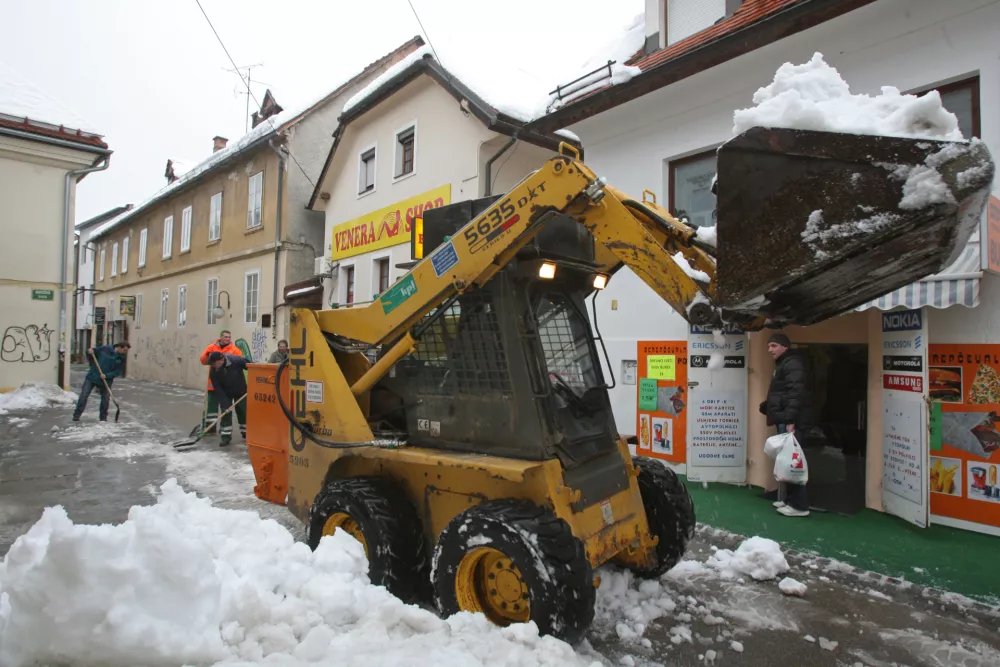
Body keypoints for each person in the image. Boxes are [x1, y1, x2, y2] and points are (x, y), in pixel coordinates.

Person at [760, 332, 814, 517]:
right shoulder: (784, 364)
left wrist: (790, 420)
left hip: (791, 421)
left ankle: (799, 505)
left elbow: (795, 393)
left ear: (785, 347)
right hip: (784, 418)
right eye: (769, 346)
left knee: (793, 462)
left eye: (774, 346)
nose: (770, 350)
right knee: (785, 461)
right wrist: (768, 407)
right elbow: (782, 393)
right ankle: (787, 499)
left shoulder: (792, 364)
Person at [73, 341, 131, 422]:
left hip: (106, 381)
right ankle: (76, 416)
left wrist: (107, 375)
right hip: (92, 376)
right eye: (124, 350)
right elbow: (92, 352)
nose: (125, 352)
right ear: (119, 347)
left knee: (105, 399)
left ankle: (103, 418)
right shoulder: (105, 349)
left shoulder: (121, 358)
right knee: (83, 396)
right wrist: (89, 352)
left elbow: (117, 372)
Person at [199, 330, 243, 432]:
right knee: (211, 408)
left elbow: (239, 363)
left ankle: (224, 427)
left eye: (229, 337)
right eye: (225, 337)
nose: (227, 339)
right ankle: (210, 427)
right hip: (213, 383)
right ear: (221, 338)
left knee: (225, 406)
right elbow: (203, 361)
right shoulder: (212, 347)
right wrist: (207, 354)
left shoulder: (235, 350)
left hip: (227, 384)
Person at [208, 351, 248, 446]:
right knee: (226, 413)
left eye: (214, 363)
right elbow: (218, 389)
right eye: (212, 364)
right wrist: (225, 404)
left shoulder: (237, 361)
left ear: (221, 360)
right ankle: (225, 437)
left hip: (241, 391)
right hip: (226, 393)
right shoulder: (213, 372)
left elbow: (252, 367)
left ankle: (246, 433)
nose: (213, 366)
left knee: (244, 412)